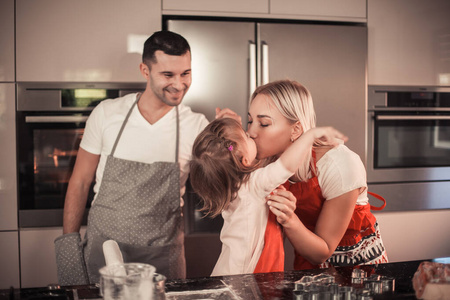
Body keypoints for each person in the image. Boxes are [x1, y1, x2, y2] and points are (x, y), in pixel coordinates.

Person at [54, 31, 211, 285]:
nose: (179, 84)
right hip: (105, 253)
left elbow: (225, 161)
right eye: (168, 75)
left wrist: (229, 138)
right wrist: (69, 248)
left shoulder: (196, 125)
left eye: (186, 73)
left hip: (162, 259)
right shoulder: (107, 114)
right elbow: (80, 182)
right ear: (145, 71)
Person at [246, 79, 388, 270]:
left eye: (263, 124)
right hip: (308, 263)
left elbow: (322, 252)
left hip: (356, 270)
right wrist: (227, 139)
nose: (250, 132)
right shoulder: (268, 163)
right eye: (250, 121)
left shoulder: (339, 165)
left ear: (296, 130)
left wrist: (288, 219)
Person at [189, 117, 346, 276]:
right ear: (244, 161)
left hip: (228, 270)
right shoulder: (253, 185)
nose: (252, 134)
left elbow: (227, 151)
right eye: (247, 136)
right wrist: (311, 134)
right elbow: (286, 165)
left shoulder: (232, 189)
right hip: (242, 277)